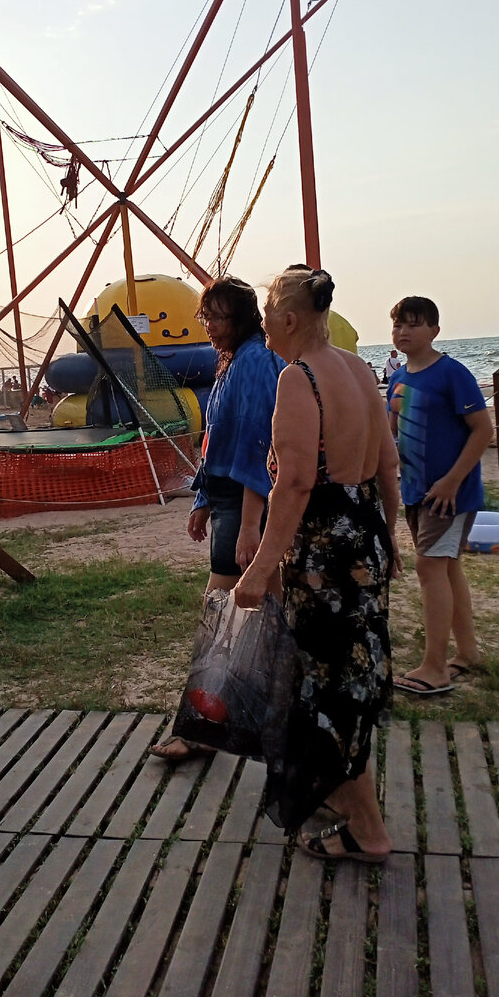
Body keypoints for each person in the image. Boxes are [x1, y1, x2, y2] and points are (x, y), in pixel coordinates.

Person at [233, 267, 398, 862]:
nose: (264, 325)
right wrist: (392, 536)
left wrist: (257, 571)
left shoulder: (299, 380)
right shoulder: (357, 369)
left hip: (325, 553)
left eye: (268, 313)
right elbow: (386, 464)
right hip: (364, 542)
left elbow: (297, 483)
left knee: (330, 691)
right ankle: (354, 811)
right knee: (352, 681)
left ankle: (369, 831)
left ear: (289, 318)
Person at [150, 276, 285, 763]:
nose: (208, 325)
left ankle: (200, 731)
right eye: (205, 316)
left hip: (247, 500)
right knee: (274, 611)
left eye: (216, 317)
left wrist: (250, 521)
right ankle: (284, 714)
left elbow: (257, 444)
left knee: (219, 614)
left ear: (243, 319)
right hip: (228, 496)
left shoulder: (253, 363)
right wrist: (202, 497)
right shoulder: (229, 361)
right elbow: (216, 439)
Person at [387, 295, 493, 696]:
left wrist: (451, 480)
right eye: (397, 324)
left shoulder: (452, 373)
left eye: (413, 324)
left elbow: (483, 430)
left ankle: (435, 667)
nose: (403, 331)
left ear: (434, 330)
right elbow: (391, 434)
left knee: (430, 569)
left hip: (449, 495)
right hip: (415, 491)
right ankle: (466, 653)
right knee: (447, 569)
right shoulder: (398, 378)